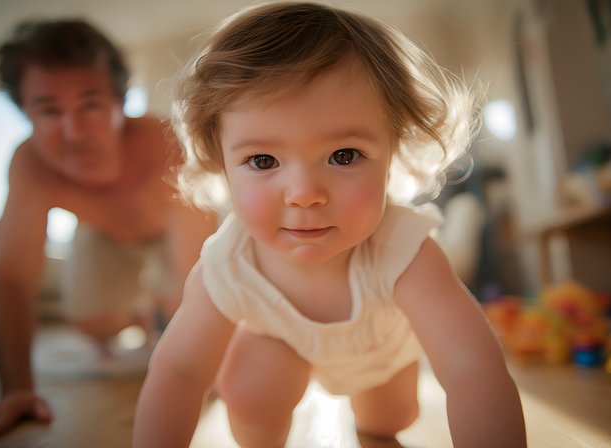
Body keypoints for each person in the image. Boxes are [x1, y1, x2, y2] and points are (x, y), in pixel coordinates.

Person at [133, 3, 526, 447]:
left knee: (388, 421)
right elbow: (179, 372)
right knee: (250, 395)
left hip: (379, 354)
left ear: (392, 150)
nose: (304, 193)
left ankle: (377, 415)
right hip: (277, 344)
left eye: (344, 155)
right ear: (221, 164)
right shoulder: (228, 263)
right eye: (263, 160)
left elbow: (472, 368)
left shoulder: (405, 250)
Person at [0, 19, 216, 443]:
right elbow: (11, 279)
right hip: (103, 233)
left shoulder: (162, 140)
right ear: (25, 113)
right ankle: (141, 310)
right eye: (48, 110)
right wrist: (18, 390)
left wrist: (201, 368)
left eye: (91, 104)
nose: (74, 131)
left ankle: (153, 307)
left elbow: (197, 271)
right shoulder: (30, 163)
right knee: (93, 324)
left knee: (180, 305)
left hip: (177, 228)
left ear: (120, 103)